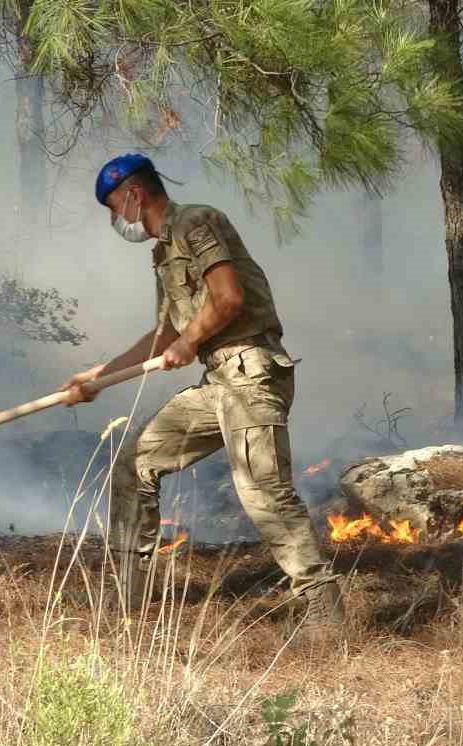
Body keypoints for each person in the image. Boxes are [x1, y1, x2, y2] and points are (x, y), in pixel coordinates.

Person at [61, 153, 347, 646]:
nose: (116, 221)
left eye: (114, 208)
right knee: (135, 463)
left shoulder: (197, 222)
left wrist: (189, 342)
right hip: (218, 382)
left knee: (262, 490)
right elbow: (165, 332)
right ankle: (125, 599)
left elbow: (228, 298)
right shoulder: (163, 253)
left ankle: (323, 606)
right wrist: (99, 377)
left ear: (134, 194)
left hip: (251, 372)